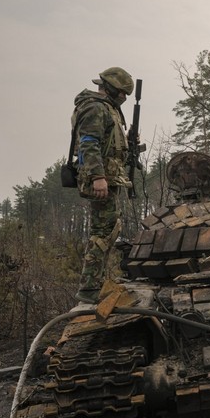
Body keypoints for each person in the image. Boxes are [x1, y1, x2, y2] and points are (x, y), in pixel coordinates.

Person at [71, 67, 134, 304]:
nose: (124, 98)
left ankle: (97, 283)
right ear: (109, 88)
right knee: (102, 232)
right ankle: (89, 288)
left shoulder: (107, 108)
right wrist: (98, 177)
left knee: (109, 229)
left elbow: (109, 143)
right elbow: (89, 143)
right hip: (102, 179)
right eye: (122, 93)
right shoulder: (95, 107)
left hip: (110, 177)